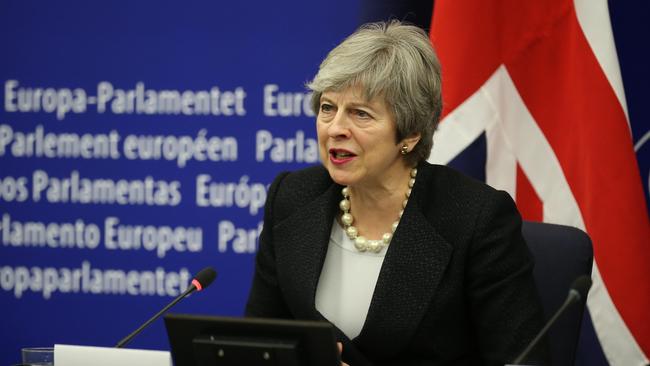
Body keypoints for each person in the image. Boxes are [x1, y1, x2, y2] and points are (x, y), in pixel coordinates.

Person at [245, 20, 548, 366]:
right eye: (328, 108)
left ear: (410, 135)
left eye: (360, 114)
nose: (335, 128)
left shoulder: (475, 218)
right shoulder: (293, 197)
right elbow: (258, 343)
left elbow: (523, 361)